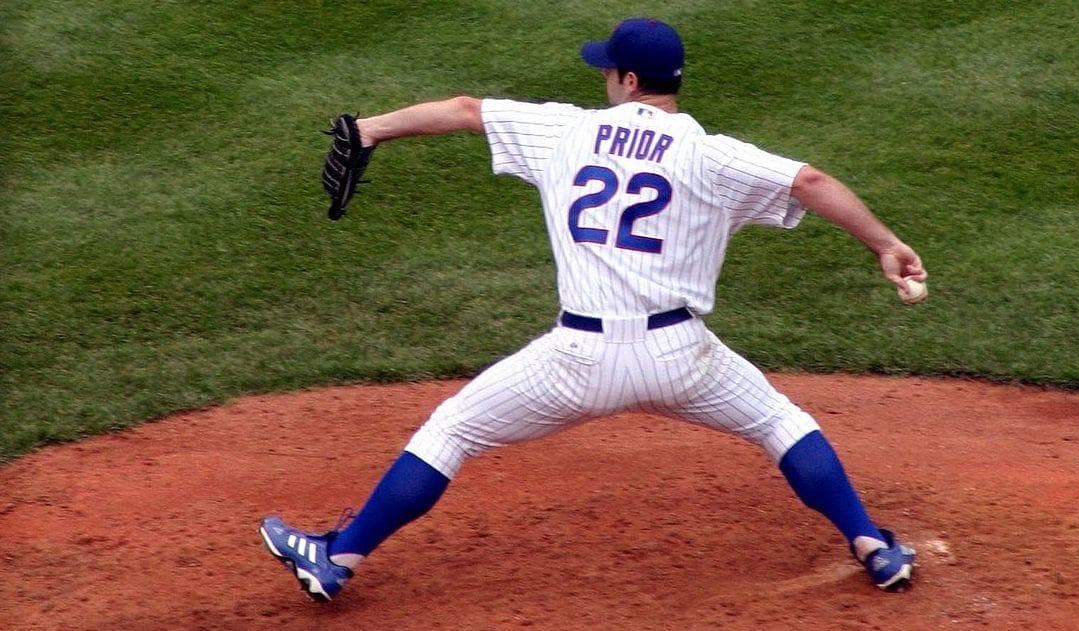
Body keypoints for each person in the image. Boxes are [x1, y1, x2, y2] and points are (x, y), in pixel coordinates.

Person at [260, 17, 925, 602]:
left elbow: (465, 109)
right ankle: (874, 545)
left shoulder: (566, 131)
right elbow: (808, 180)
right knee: (780, 422)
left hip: (576, 358)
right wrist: (886, 244)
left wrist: (370, 129)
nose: (604, 78)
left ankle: (339, 559)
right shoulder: (710, 153)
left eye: (609, 70)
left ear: (630, 81)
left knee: (452, 431)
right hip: (682, 357)